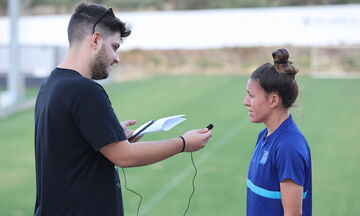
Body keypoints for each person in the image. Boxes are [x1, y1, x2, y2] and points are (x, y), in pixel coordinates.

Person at [34, 2, 212, 215]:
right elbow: (125, 157)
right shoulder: (85, 90)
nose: (117, 58)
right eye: (115, 47)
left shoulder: (51, 84)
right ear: (96, 39)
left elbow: (71, 145)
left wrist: (108, 135)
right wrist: (183, 143)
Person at [243, 48, 312, 216]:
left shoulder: (289, 147)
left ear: (273, 100)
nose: (246, 102)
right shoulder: (264, 136)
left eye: (251, 95)